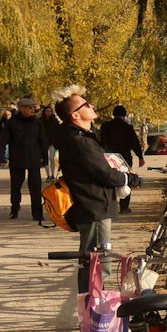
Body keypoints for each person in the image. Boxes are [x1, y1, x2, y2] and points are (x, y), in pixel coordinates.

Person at [45, 89, 128, 292]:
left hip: (93, 205)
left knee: (91, 261)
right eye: (86, 104)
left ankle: (90, 308)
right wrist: (127, 178)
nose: (91, 106)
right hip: (94, 207)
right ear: (75, 115)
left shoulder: (81, 137)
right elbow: (104, 173)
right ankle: (94, 313)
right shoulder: (79, 141)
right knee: (98, 264)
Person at [0, 97, 48, 221]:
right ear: (22, 108)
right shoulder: (12, 123)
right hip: (17, 159)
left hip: (34, 159)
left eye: (33, 107)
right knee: (16, 186)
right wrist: (1, 158)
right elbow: (3, 141)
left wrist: (44, 158)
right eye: (30, 107)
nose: (32, 110)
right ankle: (14, 209)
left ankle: (37, 213)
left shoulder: (37, 123)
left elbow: (43, 142)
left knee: (35, 188)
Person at [98, 105, 145, 213]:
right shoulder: (127, 127)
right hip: (124, 158)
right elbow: (135, 143)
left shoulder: (105, 126)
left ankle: (108, 205)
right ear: (124, 115)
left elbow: (100, 141)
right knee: (126, 180)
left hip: (108, 157)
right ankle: (124, 207)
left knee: (108, 180)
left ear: (113, 114)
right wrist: (140, 157)